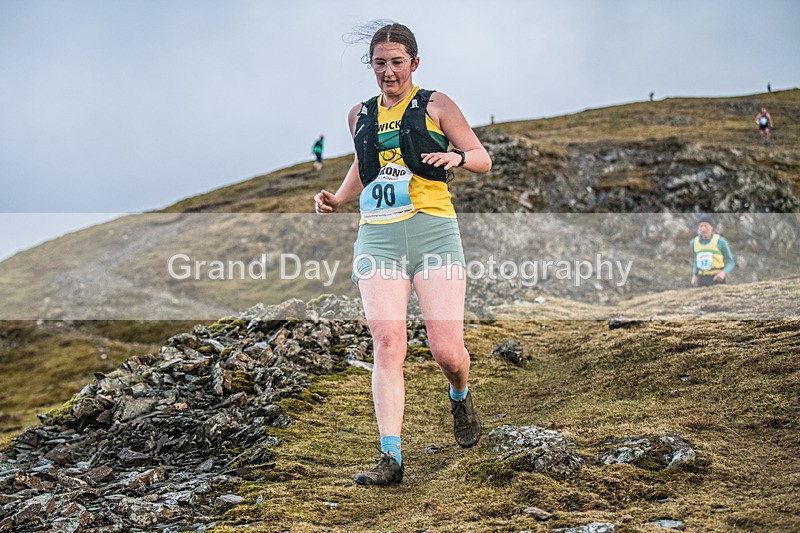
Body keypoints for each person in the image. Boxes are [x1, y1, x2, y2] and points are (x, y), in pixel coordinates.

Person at [314, 22, 491, 486]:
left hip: (433, 232)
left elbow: (482, 157)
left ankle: (460, 394)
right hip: (378, 238)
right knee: (388, 342)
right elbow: (362, 166)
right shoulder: (359, 115)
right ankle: (390, 457)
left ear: (414, 62)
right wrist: (338, 198)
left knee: (447, 351)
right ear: (370, 66)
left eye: (397, 62)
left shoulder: (436, 104)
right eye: (380, 63)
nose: (388, 72)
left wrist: (458, 158)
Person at [691, 214, 735, 288]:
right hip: (701, 278)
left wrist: (723, 272)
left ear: (712, 227)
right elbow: (696, 260)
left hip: (717, 278)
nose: (703, 229)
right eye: (701, 226)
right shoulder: (694, 242)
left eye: (706, 226)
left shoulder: (721, 241)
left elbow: (730, 261)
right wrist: (694, 275)